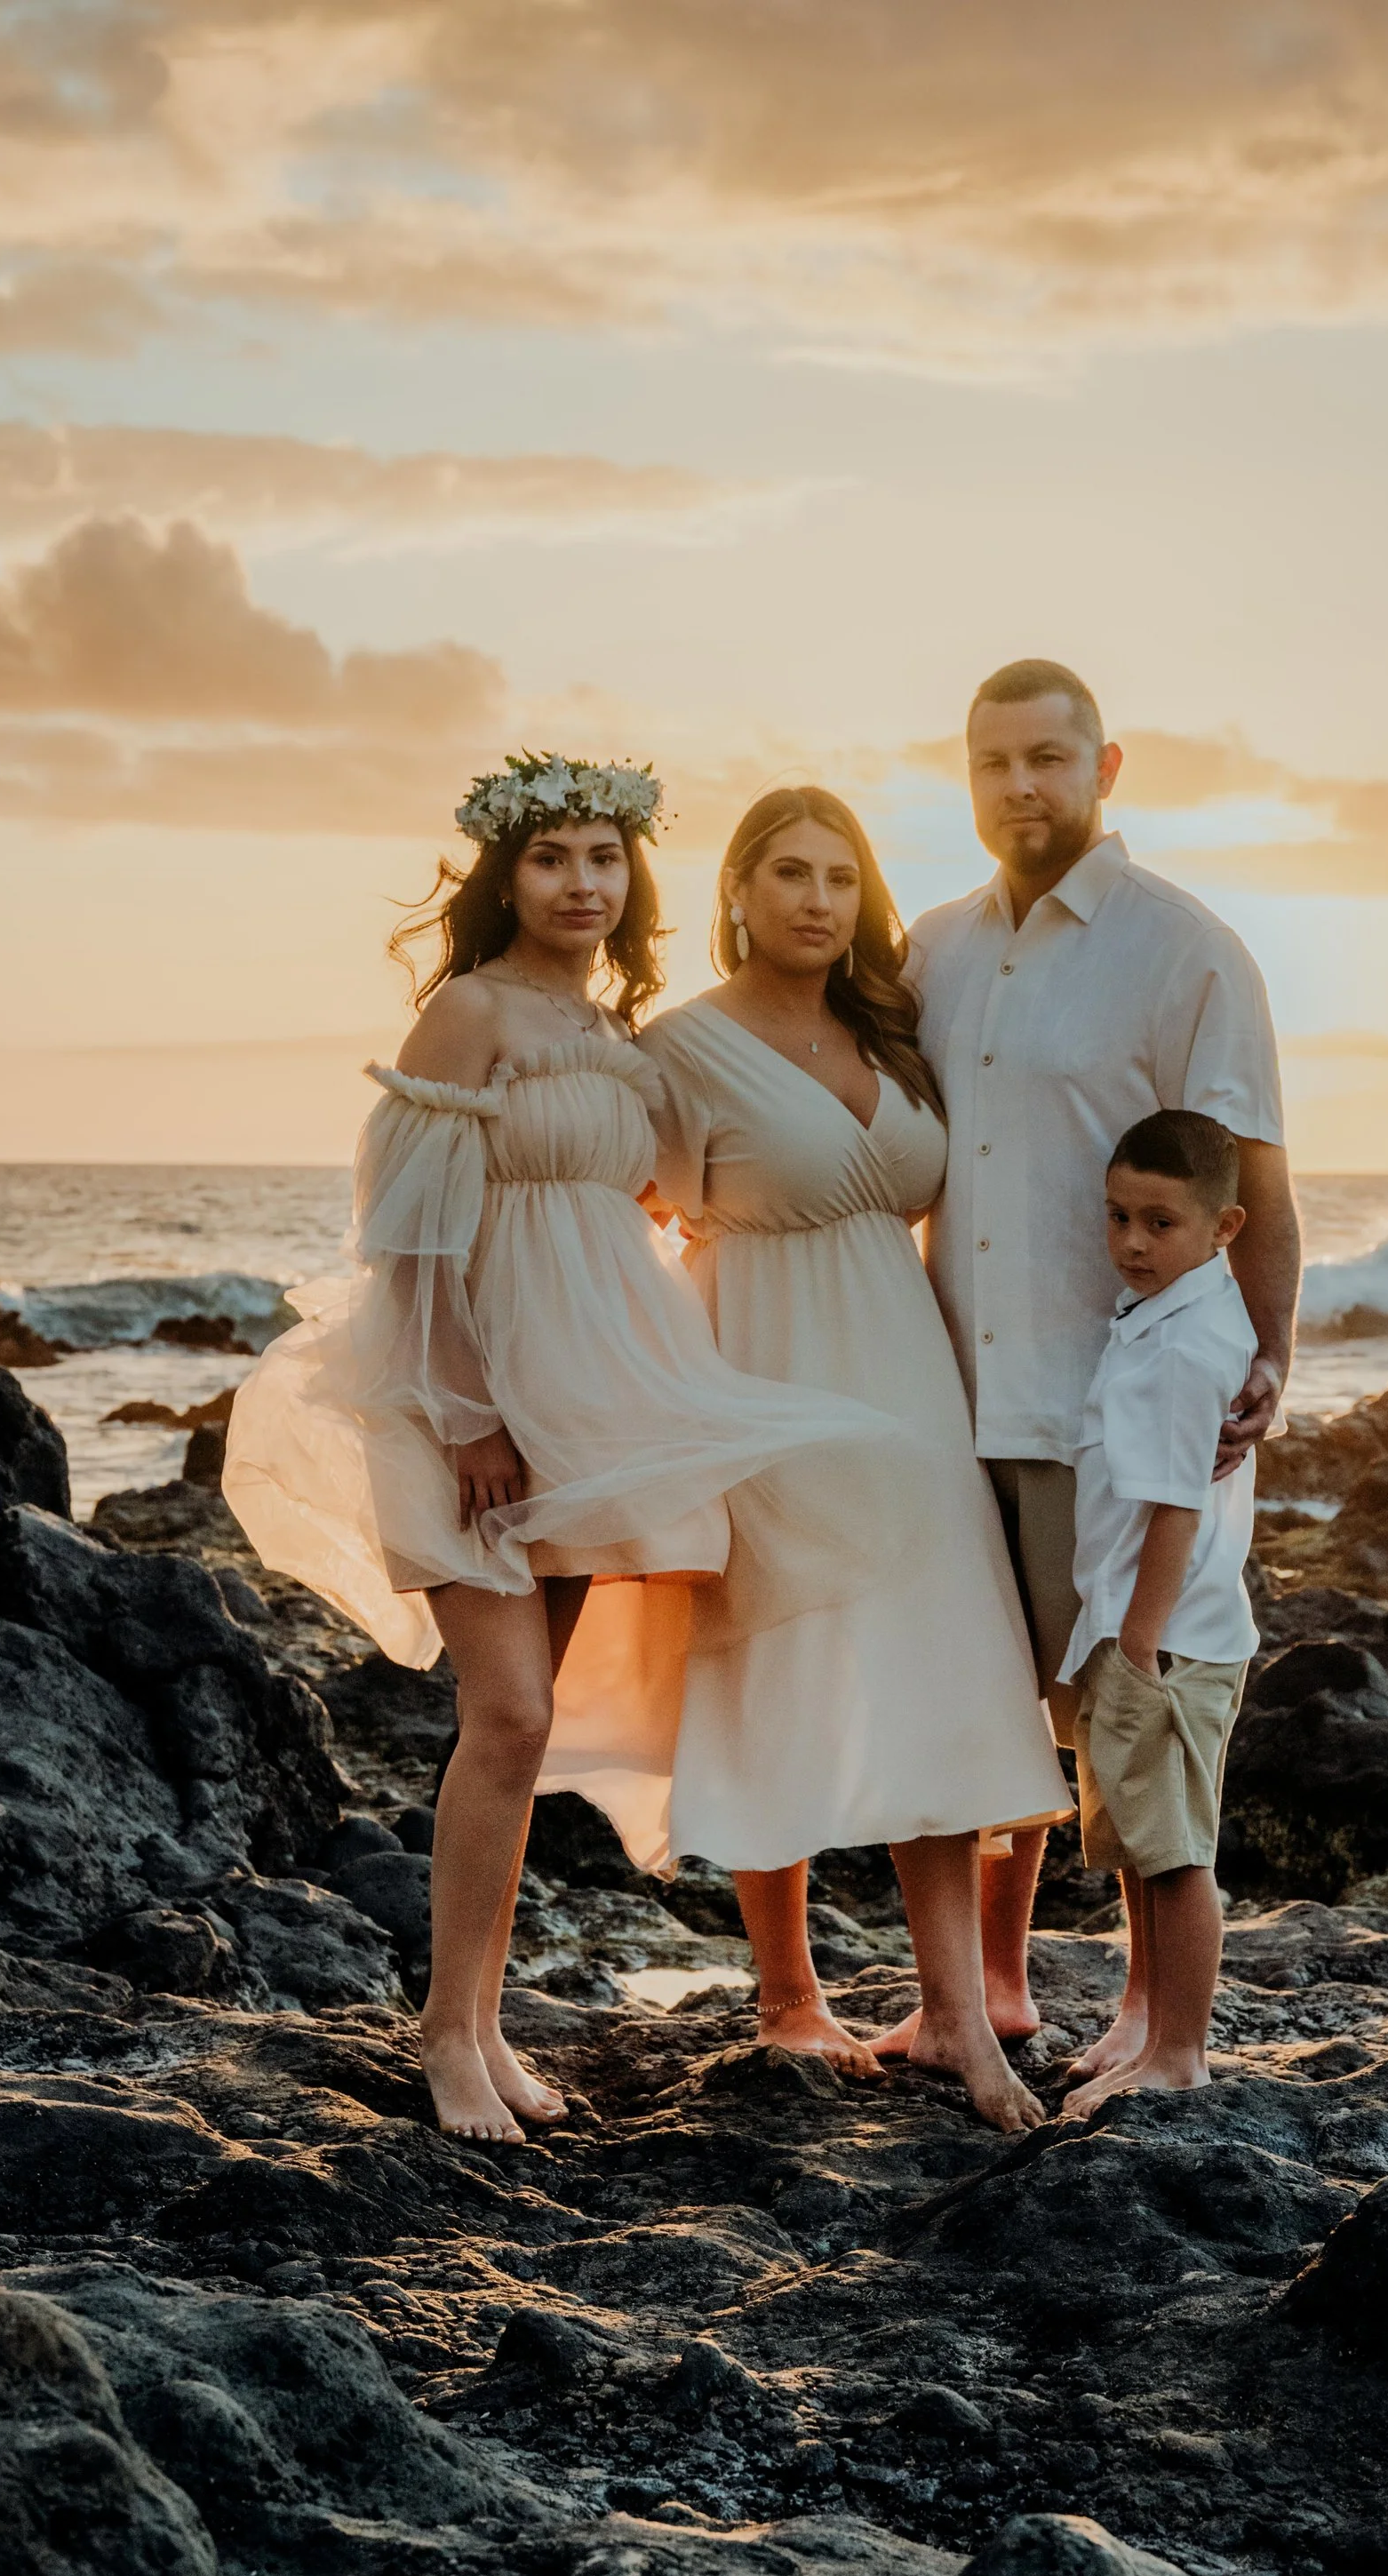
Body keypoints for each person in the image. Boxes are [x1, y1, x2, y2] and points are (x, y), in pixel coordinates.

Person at [223, 753, 893, 2148]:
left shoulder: (612, 1031)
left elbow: (655, 1198)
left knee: (518, 1741)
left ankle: (481, 2022)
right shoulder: (466, 1016)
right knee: (512, 1711)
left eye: (604, 857)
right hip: (472, 1397)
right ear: (504, 875)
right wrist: (465, 1406)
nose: (583, 882)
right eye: (553, 859)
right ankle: (445, 2042)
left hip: (598, 1402)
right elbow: (405, 1232)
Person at [642, 790, 1070, 2136]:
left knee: (940, 1670)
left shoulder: (891, 1027)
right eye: (789, 873)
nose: (816, 899)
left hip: (911, 1381)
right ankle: (787, 1997)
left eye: (840, 875)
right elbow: (613, 1224)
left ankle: (955, 2017)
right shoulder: (679, 1049)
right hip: (764, 1378)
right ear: (740, 889)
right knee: (774, 1658)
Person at [908, 656, 1300, 2052]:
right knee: (983, 1708)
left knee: (1119, 1710)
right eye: (994, 763)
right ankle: (995, 1991)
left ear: (1106, 768)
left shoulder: (1183, 951)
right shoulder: (932, 947)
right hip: (953, 1394)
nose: (1022, 787)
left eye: (1049, 759)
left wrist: (1273, 1354)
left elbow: (1256, 1172)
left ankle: (1149, 2011)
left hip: (1108, 1404)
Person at [1057, 1108, 1259, 2117]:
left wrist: (1135, 1641)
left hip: (1165, 1637)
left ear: (1223, 1228)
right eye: (1117, 1217)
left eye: (1159, 1223)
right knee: (1143, 1844)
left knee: (1176, 1854)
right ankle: (1158, 2039)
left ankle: (1179, 2052)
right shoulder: (1164, 1316)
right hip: (1135, 1624)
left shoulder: (1187, 1344)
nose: (1132, 1243)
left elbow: (1179, 1504)